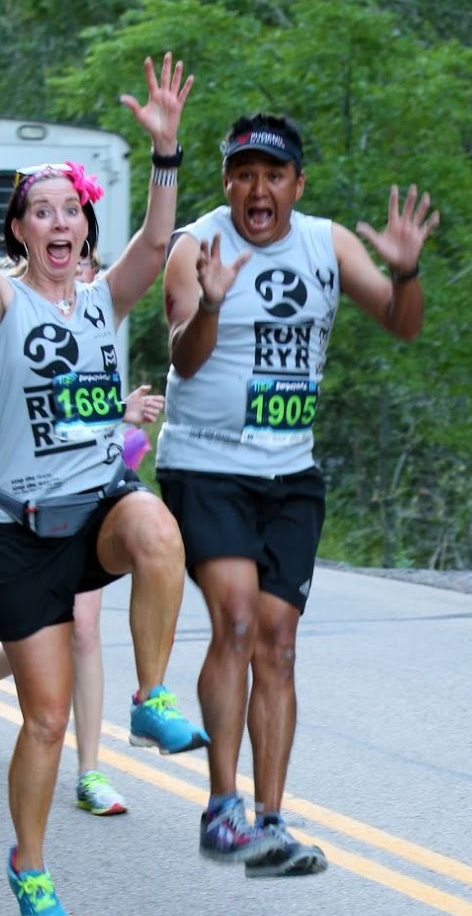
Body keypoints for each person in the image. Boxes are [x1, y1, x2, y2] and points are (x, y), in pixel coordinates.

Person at [0, 51, 207, 916]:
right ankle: (31, 863)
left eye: (69, 208)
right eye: (39, 210)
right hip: (22, 538)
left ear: (85, 224)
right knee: (46, 719)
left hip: (97, 507)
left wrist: (165, 154)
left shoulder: (102, 302)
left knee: (158, 530)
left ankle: (150, 693)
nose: (58, 220)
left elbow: (158, 245)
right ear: (19, 232)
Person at [159, 112, 438, 875]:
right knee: (239, 620)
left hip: (290, 474)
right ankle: (222, 810)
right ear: (227, 182)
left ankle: (270, 824)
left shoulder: (326, 243)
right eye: (244, 173)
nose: (258, 188)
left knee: (279, 643)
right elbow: (182, 361)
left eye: (273, 175)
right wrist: (213, 301)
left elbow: (401, 325)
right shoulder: (195, 247)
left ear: (296, 185)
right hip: (205, 465)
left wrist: (406, 271)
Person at [0, 249, 161, 818]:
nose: (81, 275)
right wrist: (105, 409)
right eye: (76, 266)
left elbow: (96, 409)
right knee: (45, 639)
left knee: (84, 630)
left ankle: (89, 772)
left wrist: (119, 414)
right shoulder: (15, 315)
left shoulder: (96, 319)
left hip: (91, 496)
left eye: (90, 266)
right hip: (29, 501)